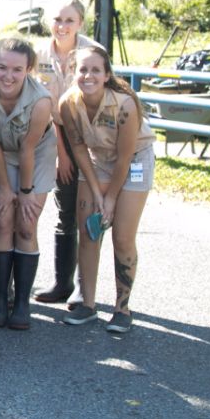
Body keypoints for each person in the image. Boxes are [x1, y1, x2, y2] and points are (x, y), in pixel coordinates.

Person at [59, 47, 154, 333]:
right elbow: (78, 147)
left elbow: (124, 158)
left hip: (134, 158)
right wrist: (96, 193)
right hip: (97, 159)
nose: (88, 76)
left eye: (95, 70)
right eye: (82, 70)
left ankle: (122, 308)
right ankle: (87, 305)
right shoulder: (68, 103)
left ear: (107, 75)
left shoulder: (124, 104)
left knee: (123, 236)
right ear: (73, 74)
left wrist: (110, 198)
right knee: (90, 230)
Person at [0, 38, 56, 330]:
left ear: (28, 70)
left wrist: (26, 192)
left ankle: (22, 303)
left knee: (26, 224)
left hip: (36, 152)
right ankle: (0, 300)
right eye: (2, 67)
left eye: (17, 69)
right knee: (3, 220)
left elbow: (29, 149)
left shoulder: (41, 100)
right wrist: (5, 189)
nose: (8, 75)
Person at [33, 0, 103, 306]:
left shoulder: (93, 52)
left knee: (87, 210)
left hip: (89, 140)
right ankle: (63, 283)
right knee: (65, 212)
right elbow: (44, 106)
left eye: (69, 20)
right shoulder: (38, 54)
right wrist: (62, 151)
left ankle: (83, 288)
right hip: (52, 137)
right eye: (58, 19)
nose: (62, 26)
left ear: (81, 22)